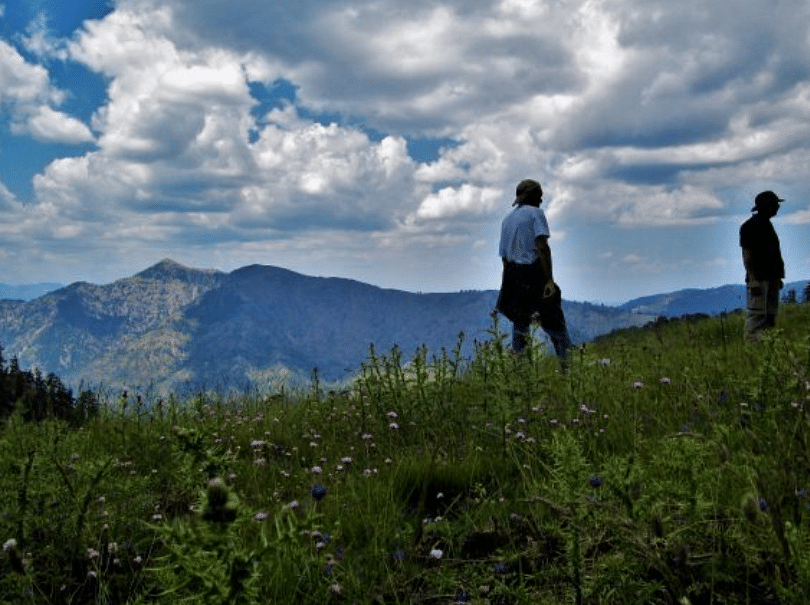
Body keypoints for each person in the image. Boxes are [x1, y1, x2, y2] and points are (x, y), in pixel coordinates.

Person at [494, 179, 572, 367]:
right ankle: (568, 367)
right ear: (533, 196)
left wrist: (511, 285)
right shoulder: (536, 214)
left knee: (520, 325)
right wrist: (549, 280)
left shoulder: (507, 220)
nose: (542, 199)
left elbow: (504, 258)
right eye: (539, 195)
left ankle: (521, 373)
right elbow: (541, 246)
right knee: (554, 322)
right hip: (533, 273)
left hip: (512, 275)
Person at [740, 190, 785, 341]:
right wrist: (753, 280)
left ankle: (765, 350)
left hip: (770, 278)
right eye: (775, 204)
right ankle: (752, 351)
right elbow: (747, 255)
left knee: (769, 318)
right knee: (757, 317)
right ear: (767, 206)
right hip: (760, 279)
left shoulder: (766, 225)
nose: (777, 207)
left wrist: (777, 277)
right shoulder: (751, 226)